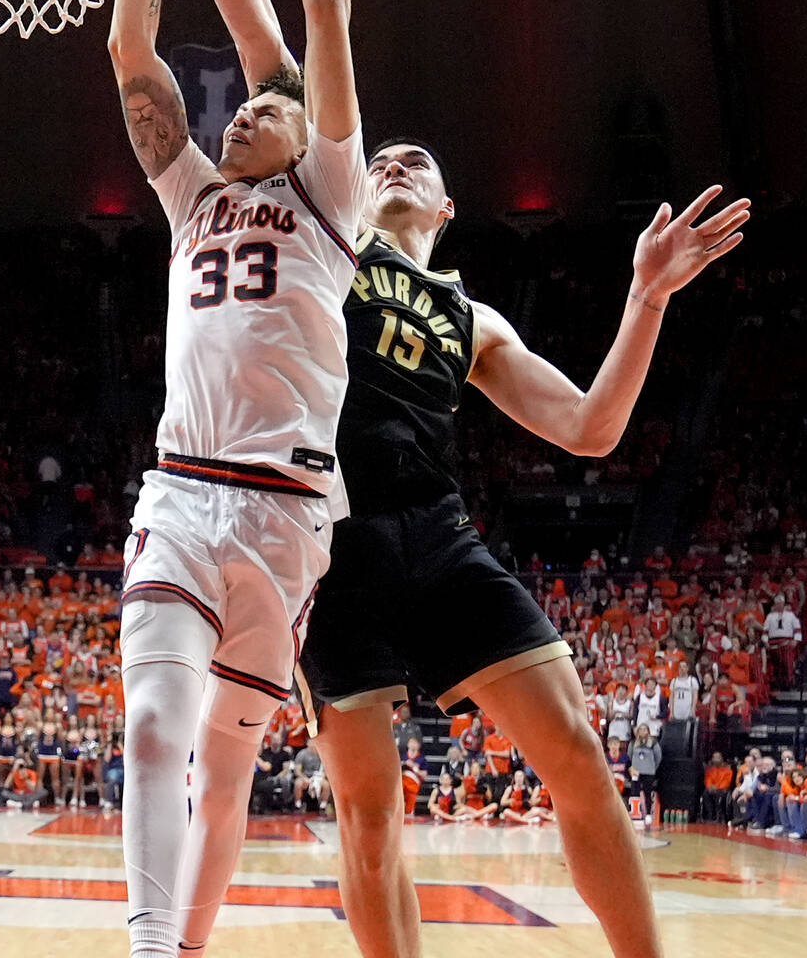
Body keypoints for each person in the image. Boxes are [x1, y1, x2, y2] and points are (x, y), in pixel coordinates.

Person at [293, 143, 747, 958]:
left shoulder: (473, 319)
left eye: (418, 161)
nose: (394, 163)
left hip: (436, 532)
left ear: (447, 210)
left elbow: (590, 428)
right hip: (329, 545)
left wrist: (646, 296)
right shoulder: (325, 245)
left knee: (575, 750)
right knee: (367, 814)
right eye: (381, 157)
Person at [111, 0, 362, 958]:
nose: (254, 102)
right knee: (156, 727)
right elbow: (133, 56)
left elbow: (314, 15)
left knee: (229, 760)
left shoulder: (329, 194)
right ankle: (152, 949)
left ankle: (192, 943)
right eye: (247, 104)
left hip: (287, 512)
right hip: (183, 489)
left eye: (274, 102)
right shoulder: (192, 198)